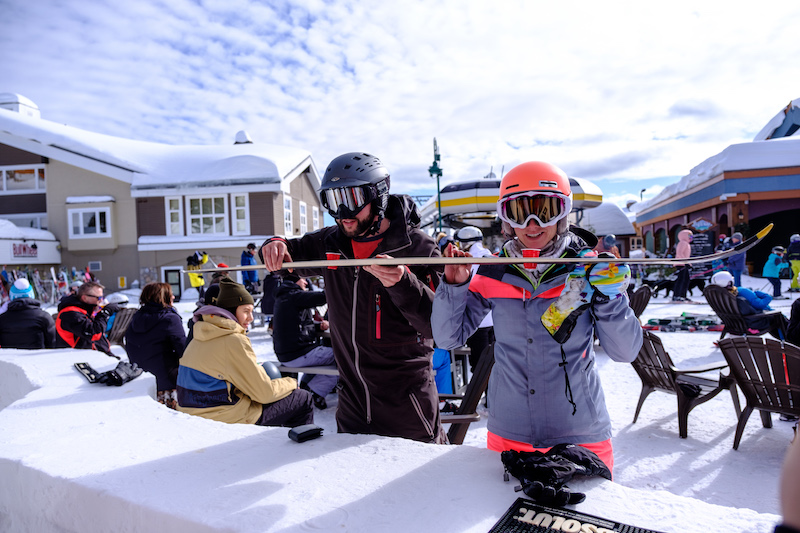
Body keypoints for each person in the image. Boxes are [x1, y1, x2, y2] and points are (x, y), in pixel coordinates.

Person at [432, 161, 641, 472]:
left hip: (580, 431)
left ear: (563, 214)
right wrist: (454, 285)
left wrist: (611, 296)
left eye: (544, 211)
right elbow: (448, 338)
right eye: (520, 212)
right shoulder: (495, 270)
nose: (532, 224)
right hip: (510, 433)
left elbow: (625, 352)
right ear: (506, 219)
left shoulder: (588, 270)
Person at [260, 152, 446, 444]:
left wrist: (402, 282)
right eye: (333, 201)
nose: (343, 212)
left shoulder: (419, 248)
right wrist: (273, 244)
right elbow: (288, 252)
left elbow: (439, 326)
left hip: (407, 404)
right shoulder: (331, 242)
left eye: (352, 198)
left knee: (418, 487)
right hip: (352, 406)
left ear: (379, 196)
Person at [177, 278, 314, 427]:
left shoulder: (199, 335)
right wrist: (291, 382)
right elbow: (264, 393)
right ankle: (292, 446)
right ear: (230, 311)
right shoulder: (232, 340)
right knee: (302, 398)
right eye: (245, 311)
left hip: (192, 413)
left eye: (251, 311)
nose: (251, 318)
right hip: (223, 417)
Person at [272, 271, 337, 409]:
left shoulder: (283, 297)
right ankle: (314, 392)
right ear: (295, 281)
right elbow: (324, 297)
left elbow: (293, 324)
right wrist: (336, 283)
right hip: (298, 354)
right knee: (342, 358)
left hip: (287, 354)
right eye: (303, 280)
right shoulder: (294, 295)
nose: (306, 283)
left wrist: (317, 325)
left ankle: (309, 387)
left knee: (329, 357)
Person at [125, 283, 187, 409]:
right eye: (171, 294)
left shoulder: (136, 317)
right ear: (163, 297)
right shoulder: (169, 319)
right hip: (169, 382)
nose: (173, 297)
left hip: (142, 378)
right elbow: (184, 350)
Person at [454, 225, 495, 373]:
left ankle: (485, 395)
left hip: (476, 321)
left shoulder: (468, 260)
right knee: (495, 365)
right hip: (494, 319)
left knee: (479, 367)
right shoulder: (489, 255)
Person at [710, 271, 788, 339]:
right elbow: (755, 308)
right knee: (778, 317)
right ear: (730, 282)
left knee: (775, 316)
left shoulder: (719, 297)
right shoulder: (740, 295)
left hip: (733, 324)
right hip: (751, 324)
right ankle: (788, 339)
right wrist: (764, 298)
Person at [55, 281, 120, 357]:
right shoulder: (70, 313)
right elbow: (93, 333)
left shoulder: (85, 310)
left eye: (102, 297)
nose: (101, 301)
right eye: (98, 298)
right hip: (75, 357)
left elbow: (98, 339)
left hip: (91, 355)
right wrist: (104, 313)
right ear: (84, 298)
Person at [0, 278, 56, 349]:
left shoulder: (2, 320)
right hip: (39, 359)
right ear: (31, 295)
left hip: (8, 359)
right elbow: (52, 345)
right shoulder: (44, 317)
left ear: (12, 296)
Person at [672, 229, 693, 302]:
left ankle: (682, 295)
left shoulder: (686, 243)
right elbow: (679, 253)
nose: (691, 237)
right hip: (680, 264)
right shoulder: (683, 243)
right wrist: (686, 263)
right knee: (681, 280)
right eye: (689, 235)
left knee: (686, 280)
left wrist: (689, 264)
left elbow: (685, 255)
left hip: (683, 263)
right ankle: (677, 295)